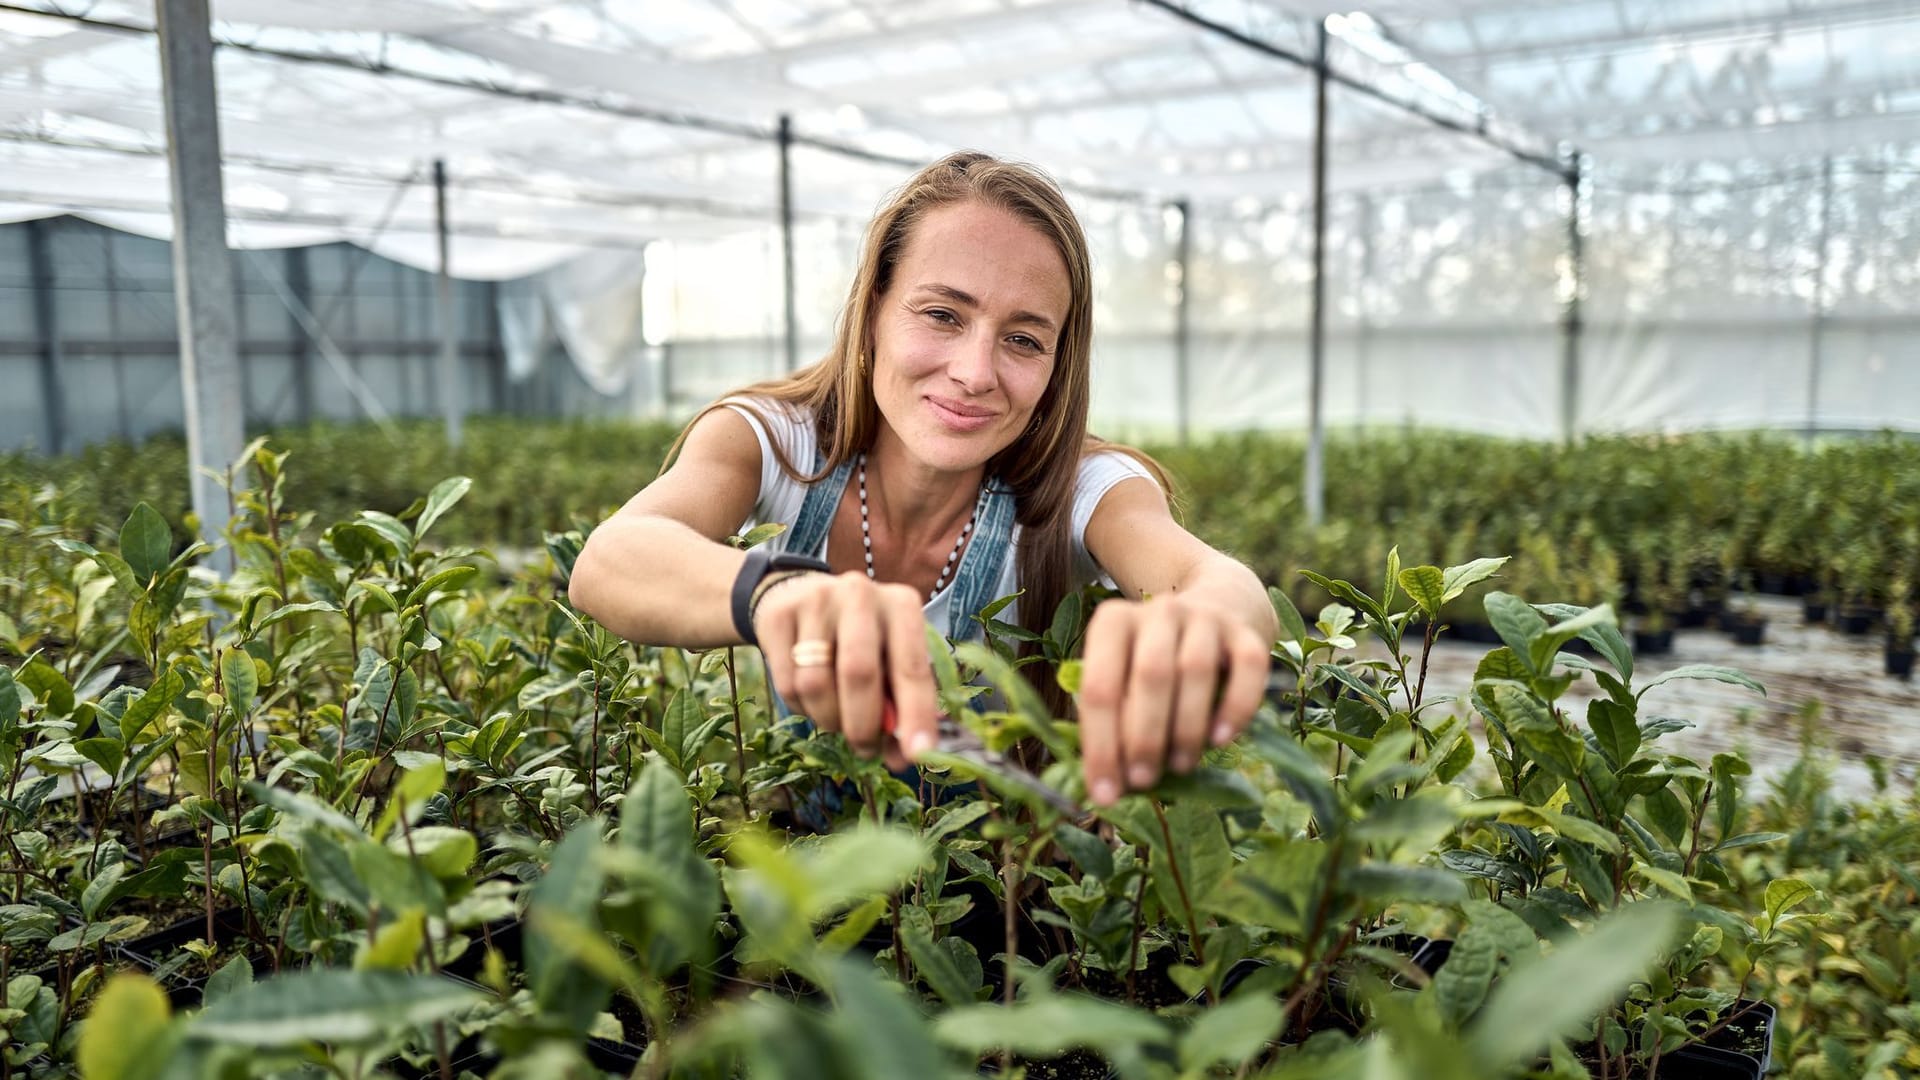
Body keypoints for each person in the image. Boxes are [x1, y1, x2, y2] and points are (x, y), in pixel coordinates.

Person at [568, 151, 1275, 809]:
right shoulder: (774, 441)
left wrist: (1198, 631)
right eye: (943, 314)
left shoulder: (1085, 487)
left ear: (1059, 362)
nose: (975, 372)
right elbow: (611, 559)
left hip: (1008, 902)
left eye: (1024, 339)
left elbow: (1214, 583)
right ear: (874, 309)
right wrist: (776, 593)